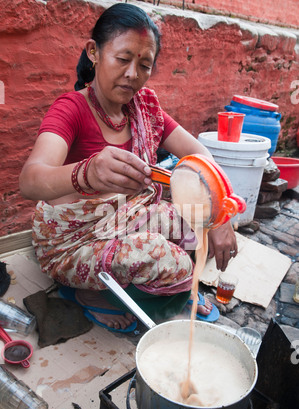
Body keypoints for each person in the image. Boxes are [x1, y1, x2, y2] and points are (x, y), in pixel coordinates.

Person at [19, 3, 237, 332]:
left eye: (144, 64)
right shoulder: (72, 109)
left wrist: (220, 214)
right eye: (123, 59)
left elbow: (200, 155)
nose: (133, 74)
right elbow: (30, 180)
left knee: (201, 231)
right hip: (73, 242)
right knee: (175, 265)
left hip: (124, 218)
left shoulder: (143, 108)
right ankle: (92, 295)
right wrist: (86, 172)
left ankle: (164, 290)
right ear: (94, 52)